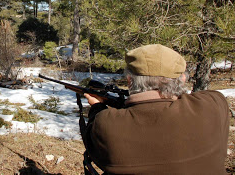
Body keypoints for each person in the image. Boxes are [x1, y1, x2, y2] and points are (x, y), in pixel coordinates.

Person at [84, 44, 230, 175]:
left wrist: (97, 107)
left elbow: (96, 150)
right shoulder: (214, 105)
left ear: (130, 81)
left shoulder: (108, 124)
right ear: (183, 80)